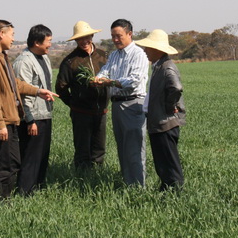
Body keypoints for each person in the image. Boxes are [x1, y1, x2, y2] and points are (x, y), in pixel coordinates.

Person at [0, 20, 58, 199]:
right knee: (1, 164)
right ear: (1, 34)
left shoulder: (1, 56)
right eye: (11, 35)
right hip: (2, 121)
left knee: (11, 162)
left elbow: (16, 84)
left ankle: (5, 199)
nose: (13, 39)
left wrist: (38, 91)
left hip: (10, 118)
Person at [93, 19, 149, 186]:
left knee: (135, 149)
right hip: (117, 104)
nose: (115, 39)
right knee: (123, 147)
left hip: (133, 104)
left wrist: (111, 82)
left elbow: (134, 80)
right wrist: (98, 78)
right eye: (113, 36)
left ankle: (137, 186)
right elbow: (105, 70)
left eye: (118, 36)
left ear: (129, 34)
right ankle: (127, 182)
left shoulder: (138, 54)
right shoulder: (114, 55)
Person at [135, 29, 186, 190]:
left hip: (166, 123)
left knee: (169, 162)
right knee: (162, 161)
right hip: (159, 122)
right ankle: (166, 189)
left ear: (157, 49)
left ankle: (175, 191)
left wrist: (170, 107)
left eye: (148, 48)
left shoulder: (166, 68)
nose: (145, 51)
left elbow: (176, 88)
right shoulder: (158, 66)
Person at [55, 21, 109, 170]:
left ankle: (97, 176)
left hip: (101, 112)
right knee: (82, 150)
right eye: (80, 38)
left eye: (86, 37)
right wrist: (74, 103)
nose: (84, 41)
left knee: (99, 149)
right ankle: (81, 177)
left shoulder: (104, 56)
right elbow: (61, 88)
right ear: (76, 40)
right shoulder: (70, 61)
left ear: (92, 36)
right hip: (81, 113)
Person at [13, 24, 54, 195]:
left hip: (44, 114)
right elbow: (22, 94)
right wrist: (30, 120)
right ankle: (25, 192)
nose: (50, 44)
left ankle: (38, 189)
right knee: (30, 157)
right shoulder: (23, 62)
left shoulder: (44, 58)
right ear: (37, 42)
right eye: (48, 41)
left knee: (42, 156)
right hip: (32, 118)